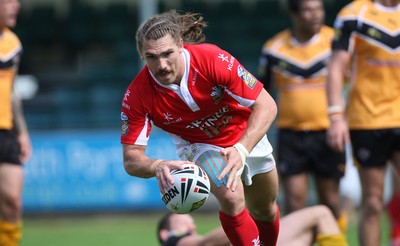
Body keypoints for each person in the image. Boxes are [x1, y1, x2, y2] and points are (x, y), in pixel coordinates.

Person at [120, 10, 280, 246]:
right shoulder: (137, 94)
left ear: (180, 45)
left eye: (167, 54)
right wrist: (157, 166)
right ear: (142, 56)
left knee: (265, 210)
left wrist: (242, 149)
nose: (161, 65)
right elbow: (131, 158)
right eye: (151, 57)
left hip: (246, 136)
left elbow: (266, 105)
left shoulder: (211, 59)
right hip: (200, 146)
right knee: (231, 196)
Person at [258, 0, 346, 231]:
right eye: (308, 10)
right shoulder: (274, 48)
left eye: (319, 9)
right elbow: (261, 93)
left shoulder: (336, 42)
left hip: (327, 133)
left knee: (330, 201)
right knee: (295, 202)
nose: (316, 15)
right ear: (294, 14)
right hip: (291, 134)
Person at [326, 0, 400, 245]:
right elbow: (336, 68)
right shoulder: (354, 15)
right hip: (366, 120)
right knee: (372, 201)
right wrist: (336, 117)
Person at [157, 205, 348, 246]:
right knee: (320, 214)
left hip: (258, 241)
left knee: (322, 215)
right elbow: (204, 243)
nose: (188, 220)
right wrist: (249, 220)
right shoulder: (174, 241)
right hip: (255, 239)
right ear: (165, 233)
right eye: (180, 218)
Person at [0, 0, 32, 245]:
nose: (16, 6)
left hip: (6, 132)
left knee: (12, 201)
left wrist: (22, 132)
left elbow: (12, 92)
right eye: (9, 1)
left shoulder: (13, 44)